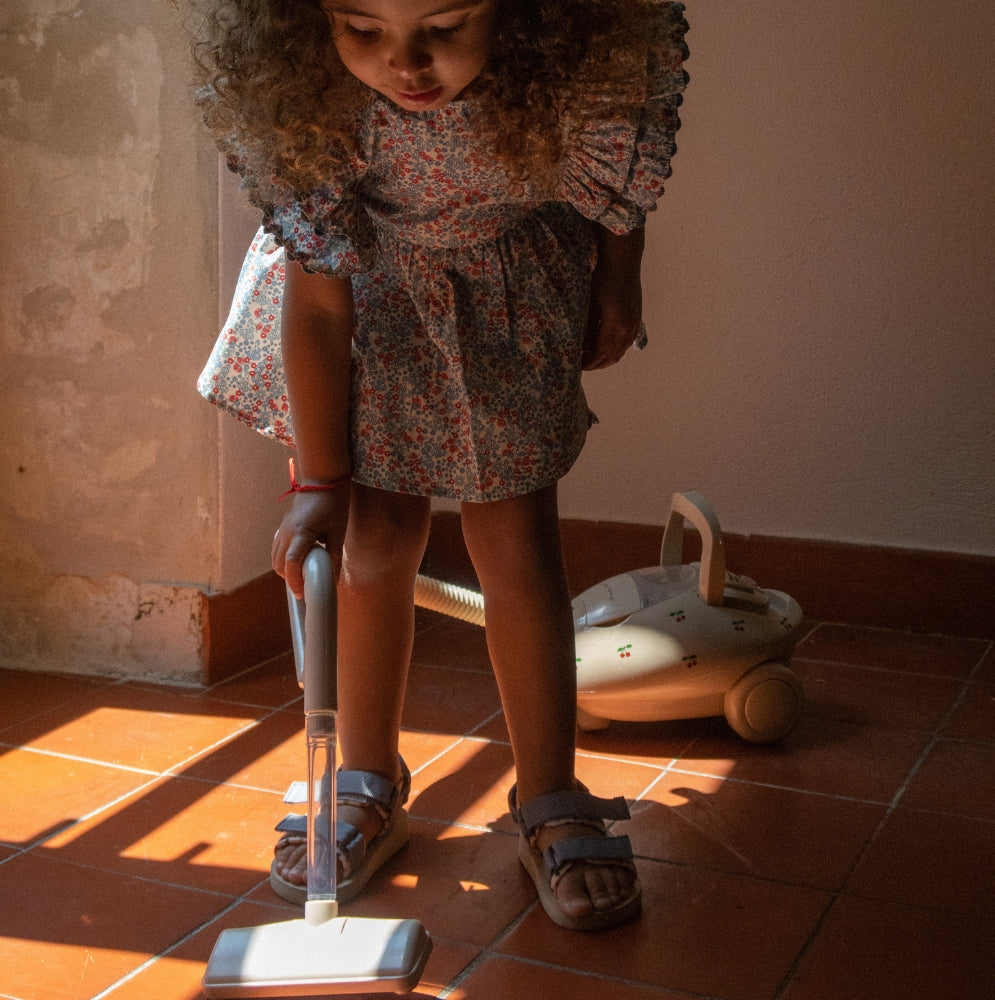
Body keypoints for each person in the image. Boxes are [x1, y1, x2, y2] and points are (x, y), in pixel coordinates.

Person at [194, 0, 688, 930]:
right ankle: (366, 777)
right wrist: (319, 485)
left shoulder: (565, 74)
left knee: (519, 546)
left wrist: (620, 279)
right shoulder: (320, 108)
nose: (406, 63)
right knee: (375, 542)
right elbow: (320, 310)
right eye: (363, 30)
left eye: (446, 26)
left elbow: (614, 199)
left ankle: (549, 794)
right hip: (370, 301)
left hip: (510, 293)